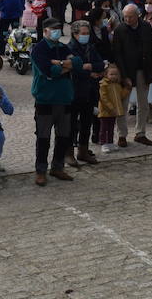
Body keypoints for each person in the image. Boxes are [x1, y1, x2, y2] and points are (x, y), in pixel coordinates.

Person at [29, 18, 79, 186]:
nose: (56, 31)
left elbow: (78, 63)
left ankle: (58, 167)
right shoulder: (39, 50)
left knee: (63, 136)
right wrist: (65, 66)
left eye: (59, 29)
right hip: (45, 99)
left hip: (64, 98)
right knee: (43, 137)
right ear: (45, 31)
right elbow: (49, 72)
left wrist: (61, 64)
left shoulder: (63, 47)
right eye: (53, 29)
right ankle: (40, 170)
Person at [112, 4, 152, 145]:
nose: (127, 19)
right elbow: (117, 54)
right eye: (125, 16)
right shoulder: (119, 29)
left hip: (143, 70)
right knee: (123, 104)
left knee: (143, 103)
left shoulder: (146, 27)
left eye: (130, 16)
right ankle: (122, 134)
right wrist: (123, 75)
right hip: (126, 71)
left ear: (137, 15)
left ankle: (140, 132)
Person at [67, 20, 102, 165]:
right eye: (83, 34)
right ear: (75, 34)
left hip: (90, 91)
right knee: (71, 124)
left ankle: (83, 151)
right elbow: (74, 68)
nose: (86, 36)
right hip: (74, 91)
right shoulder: (69, 48)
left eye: (87, 33)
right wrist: (89, 72)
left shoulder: (90, 47)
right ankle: (68, 153)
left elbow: (100, 64)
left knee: (87, 123)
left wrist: (90, 66)